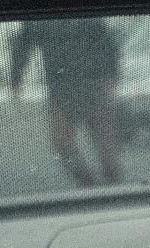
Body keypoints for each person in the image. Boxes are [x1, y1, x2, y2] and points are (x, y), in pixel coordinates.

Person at [9, 19, 122, 187]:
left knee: (103, 139)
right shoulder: (37, 18)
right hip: (62, 87)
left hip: (92, 83)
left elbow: (105, 40)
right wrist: (16, 78)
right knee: (62, 142)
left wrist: (111, 76)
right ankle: (90, 186)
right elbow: (24, 42)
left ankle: (113, 187)